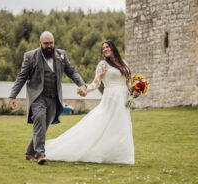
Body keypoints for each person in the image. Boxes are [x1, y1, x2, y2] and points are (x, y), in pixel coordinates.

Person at [45, 40, 140, 164]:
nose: (105, 49)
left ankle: (118, 156)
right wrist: (86, 90)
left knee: (120, 127)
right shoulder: (103, 64)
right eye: (103, 48)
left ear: (113, 48)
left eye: (107, 47)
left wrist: (135, 92)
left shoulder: (124, 63)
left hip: (123, 99)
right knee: (101, 124)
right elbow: (96, 82)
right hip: (111, 98)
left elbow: (128, 82)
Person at [8, 31, 87, 165]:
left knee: (43, 127)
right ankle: (40, 154)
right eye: (46, 43)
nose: (49, 46)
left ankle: (29, 153)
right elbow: (21, 77)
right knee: (39, 119)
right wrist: (12, 96)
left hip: (54, 97)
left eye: (51, 43)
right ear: (40, 43)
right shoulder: (30, 56)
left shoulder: (61, 55)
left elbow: (72, 71)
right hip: (38, 96)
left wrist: (82, 84)